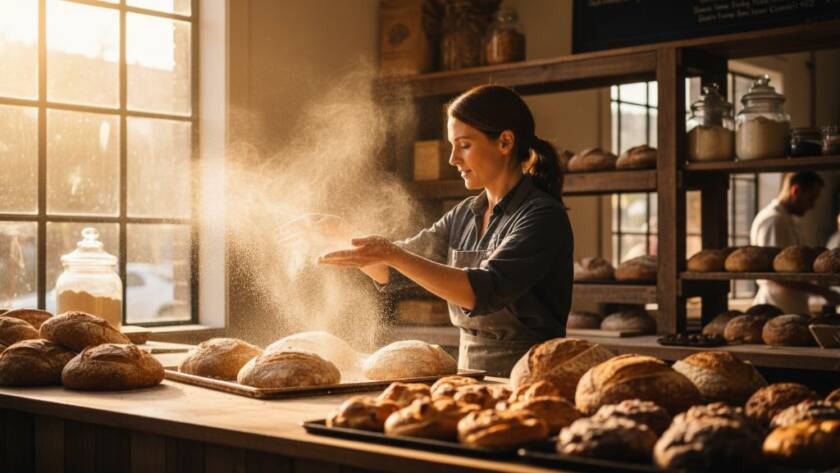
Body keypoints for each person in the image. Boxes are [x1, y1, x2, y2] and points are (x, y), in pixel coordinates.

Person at [314, 85, 574, 376]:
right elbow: (392, 270)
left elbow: (482, 291)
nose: (453, 159)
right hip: (470, 373)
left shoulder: (542, 216)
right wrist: (342, 236)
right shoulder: (465, 213)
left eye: (464, 145)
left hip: (532, 374)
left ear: (505, 142)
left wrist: (391, 253)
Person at [750, 171, 840, 313]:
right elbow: (775, 274)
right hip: (775, 306)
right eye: (811, 199)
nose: (812, 206)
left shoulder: (787, 220)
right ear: (795, 191)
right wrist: (824, 292)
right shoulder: (774, 221)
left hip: (791, 305)